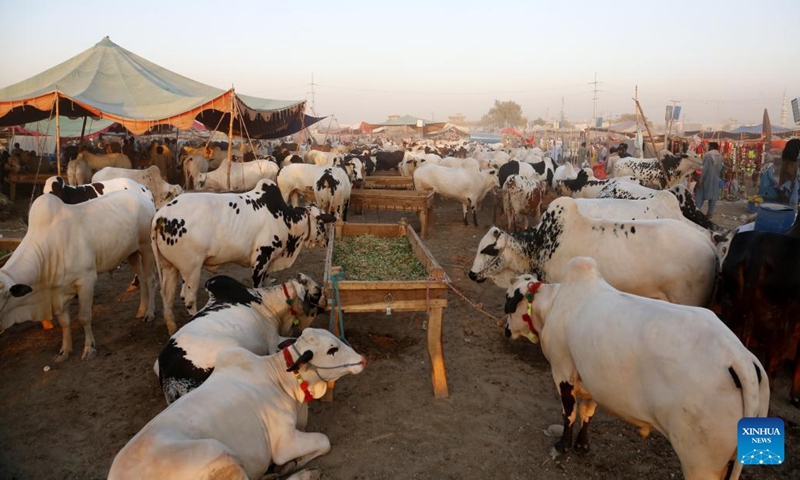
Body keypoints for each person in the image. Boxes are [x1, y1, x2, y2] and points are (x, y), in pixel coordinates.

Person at [695, 141, 724, 218]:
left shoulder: (708, 155)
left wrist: (700, 181)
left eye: (708, 146)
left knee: (700, 194)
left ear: (711, 147)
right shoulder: (720, 156)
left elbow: (704, 170)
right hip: (715, 179)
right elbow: (720, 168)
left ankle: (696, 210)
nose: (707, 148)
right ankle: (710, 213)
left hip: (706, 179)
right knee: (713, 197)